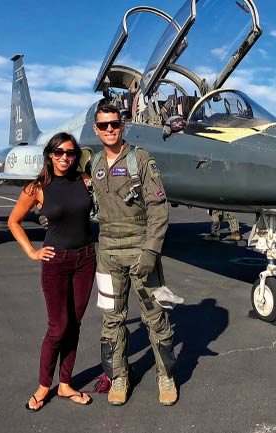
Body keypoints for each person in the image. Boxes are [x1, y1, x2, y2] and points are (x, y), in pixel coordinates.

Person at [91, 103, 177, 406]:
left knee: (155, 316)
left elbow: (158, 208)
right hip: (108, 255)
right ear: (96, 130)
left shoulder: (141, 159)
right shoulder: (96, 163)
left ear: (122, 125)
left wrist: (151, 251)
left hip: (141, 251)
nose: (110, 129)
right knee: (111, 320)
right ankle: (119, 377)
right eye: (104, 126)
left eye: (114, 123)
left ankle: (166, 375)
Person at [8, 132, 95, 410]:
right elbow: (14, 221)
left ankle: (66, 384)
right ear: (49, 155)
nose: (64, 158)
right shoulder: (37, 188)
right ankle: (44, 386)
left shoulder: (84, 181)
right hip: (56, 263)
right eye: (58, 153)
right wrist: (32, 252)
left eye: (70, 153)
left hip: (86, 259)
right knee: (58, 328)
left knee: (75, 325)